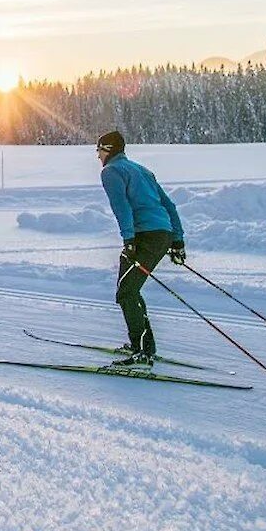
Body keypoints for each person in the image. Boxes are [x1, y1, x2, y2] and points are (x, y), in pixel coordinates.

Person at [96, 130, 185, 366]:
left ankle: (143, 351)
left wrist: (129, 240)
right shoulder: (142, 170)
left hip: (144, 236)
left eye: (99, 150)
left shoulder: (111, 172)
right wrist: (177, 240)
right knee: (129, 289)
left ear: (108, 149)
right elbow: (168, 205)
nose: (97, 156)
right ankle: (141, 346)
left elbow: (122, 207)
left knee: (127, 291)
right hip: (161, 234)